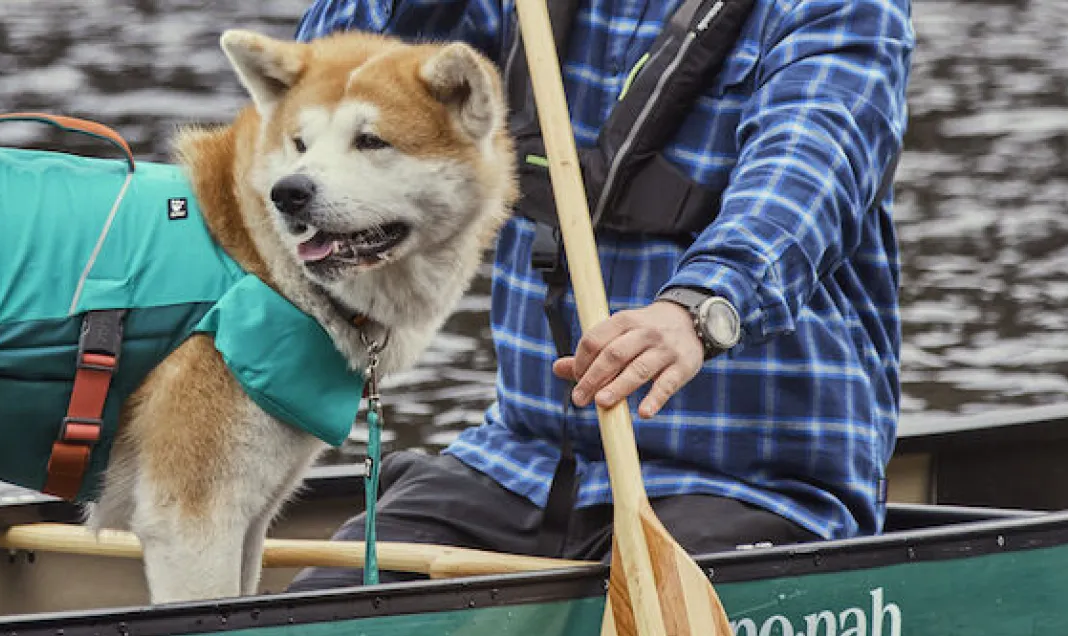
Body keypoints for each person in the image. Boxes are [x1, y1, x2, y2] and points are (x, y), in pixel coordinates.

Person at [286, 0, 913, 591]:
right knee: (323, 606)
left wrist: (697, 309)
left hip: (749, 486)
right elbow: (327, 86)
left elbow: (808, 173)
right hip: (523, 465)